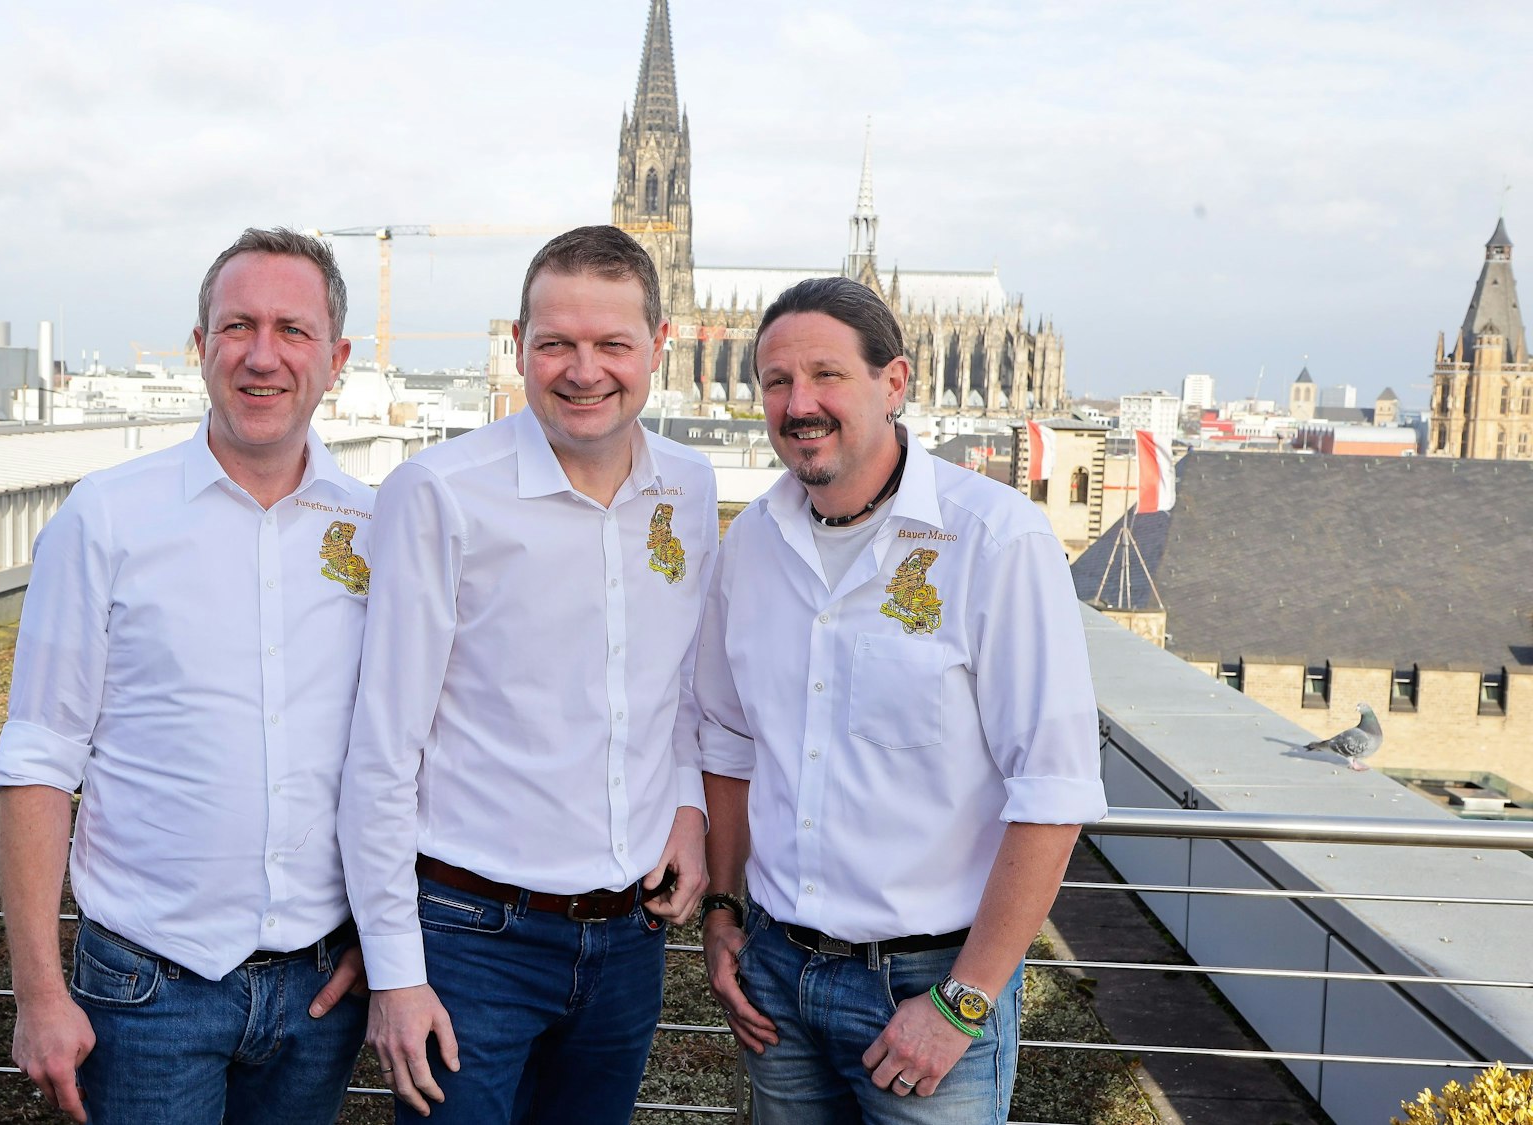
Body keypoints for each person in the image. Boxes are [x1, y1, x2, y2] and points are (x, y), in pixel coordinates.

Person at [0, 227, 376, 1125]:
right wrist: (40, 994)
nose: (262, 355)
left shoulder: (379, 525)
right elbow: (40, 754)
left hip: (322, 991)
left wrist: (383, 936)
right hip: (148, 991)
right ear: (199, 347)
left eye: (293, 329)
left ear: (337, 356)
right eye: (237, 326)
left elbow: (404, 745)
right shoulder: (108, 518)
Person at [694, 276, 1106, 1124]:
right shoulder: (749, 544)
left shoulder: (993, 540)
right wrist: (724, 910)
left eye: (826, 375)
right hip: (776, 973)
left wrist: (965, 999)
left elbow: (1055, 790)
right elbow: (731, 744)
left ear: (896, 381)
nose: (798, 402)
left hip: (929, 983)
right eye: (776, 382)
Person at [338, 225, 716, 1123]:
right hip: (474, 939)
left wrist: (691, 808)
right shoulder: (440, 492)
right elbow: (383, 745)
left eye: (613, 344)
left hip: (630, 939)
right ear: (519, 345)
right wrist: (395, 970)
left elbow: (680, 686)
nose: (584, 370)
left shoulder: (689, 487)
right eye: (556, 344)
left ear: (660, 346)